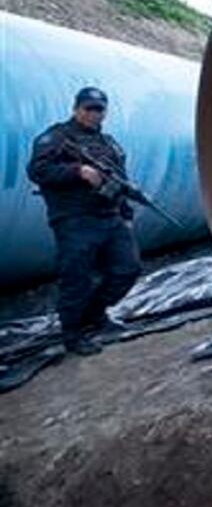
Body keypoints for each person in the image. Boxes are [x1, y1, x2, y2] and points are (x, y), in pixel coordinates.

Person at [26, 87, 141, 356]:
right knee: (76, 278)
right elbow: (37, 171)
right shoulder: (56, 137)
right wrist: (77, 171)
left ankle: (95, 315)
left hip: (109, 217)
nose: (93, 114)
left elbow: (119, 183)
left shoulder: (109, 144)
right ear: (76, 108)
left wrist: (126, 215)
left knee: (128, 268)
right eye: (88, 108)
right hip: (74, 220)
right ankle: (73, 334)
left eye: (99, 109)